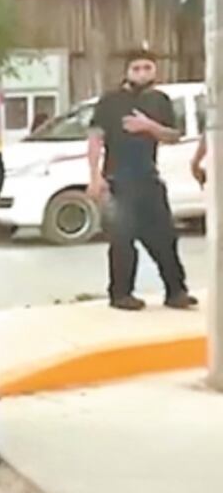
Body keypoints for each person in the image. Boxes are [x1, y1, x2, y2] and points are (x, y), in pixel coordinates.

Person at [87, 50, 197, 311]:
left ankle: (176, 292)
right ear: (127, 72)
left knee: (165, 237)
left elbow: (173, 136)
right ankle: (121, 294)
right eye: (136, 68)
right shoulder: (111, 101)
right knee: (122, 239)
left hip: (148, 177)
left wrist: (149, 126)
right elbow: (95, 138)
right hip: (118, 180)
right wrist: (94, 176)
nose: (142, 73)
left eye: (148, 68)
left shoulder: (160, 100)